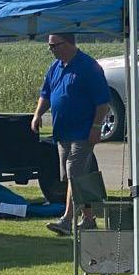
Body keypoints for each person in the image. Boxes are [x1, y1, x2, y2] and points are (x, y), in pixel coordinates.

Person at [31, 33, 110, 236]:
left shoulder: (89, 67)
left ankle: (67, 220)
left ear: (67, 44)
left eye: (54, 46)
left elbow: (102, 102)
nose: (51, 50)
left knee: (74, 172)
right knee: (73, 177)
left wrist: (96, 127)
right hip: (62, 132)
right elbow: (46, 93)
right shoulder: (55, 67)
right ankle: (89, 219)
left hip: (83, 132)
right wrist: (38, 114)